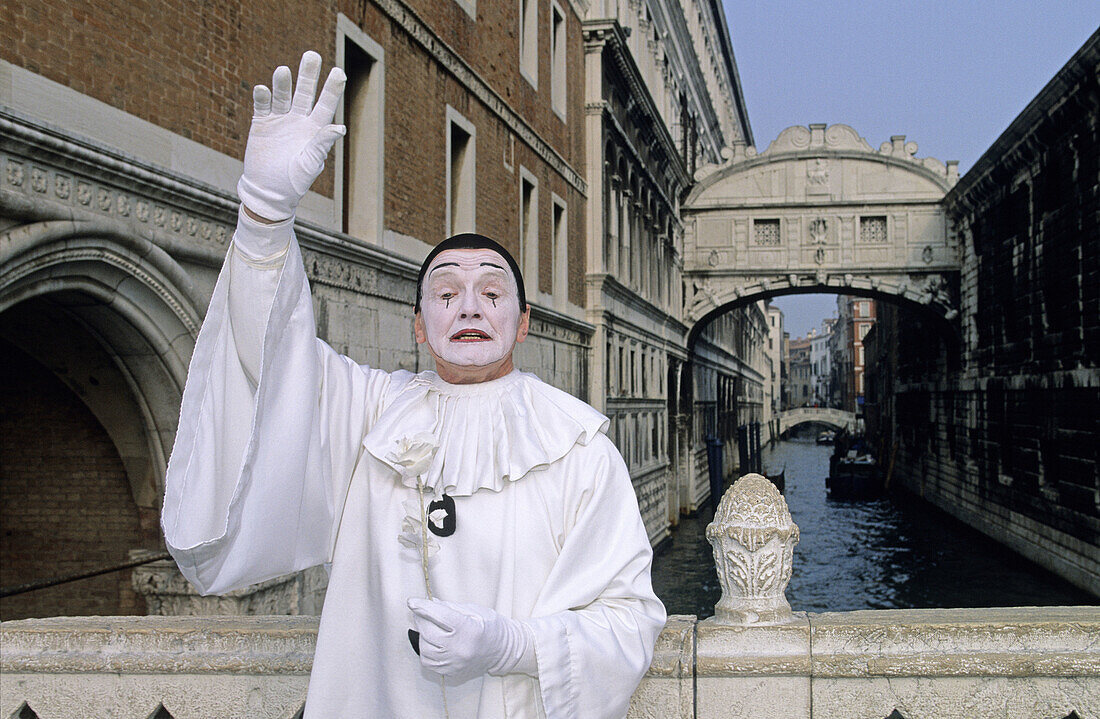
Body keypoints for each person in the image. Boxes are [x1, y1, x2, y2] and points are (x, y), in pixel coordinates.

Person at [162, 51, 665, 718]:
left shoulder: (578, 449)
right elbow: (270, 361)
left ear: (522, 325)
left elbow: (630, 618)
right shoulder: (372, 410)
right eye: (446, 291)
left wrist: (511, 644)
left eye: (492, 292)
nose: (469, 306)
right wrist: (262, 217)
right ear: (420, 327)